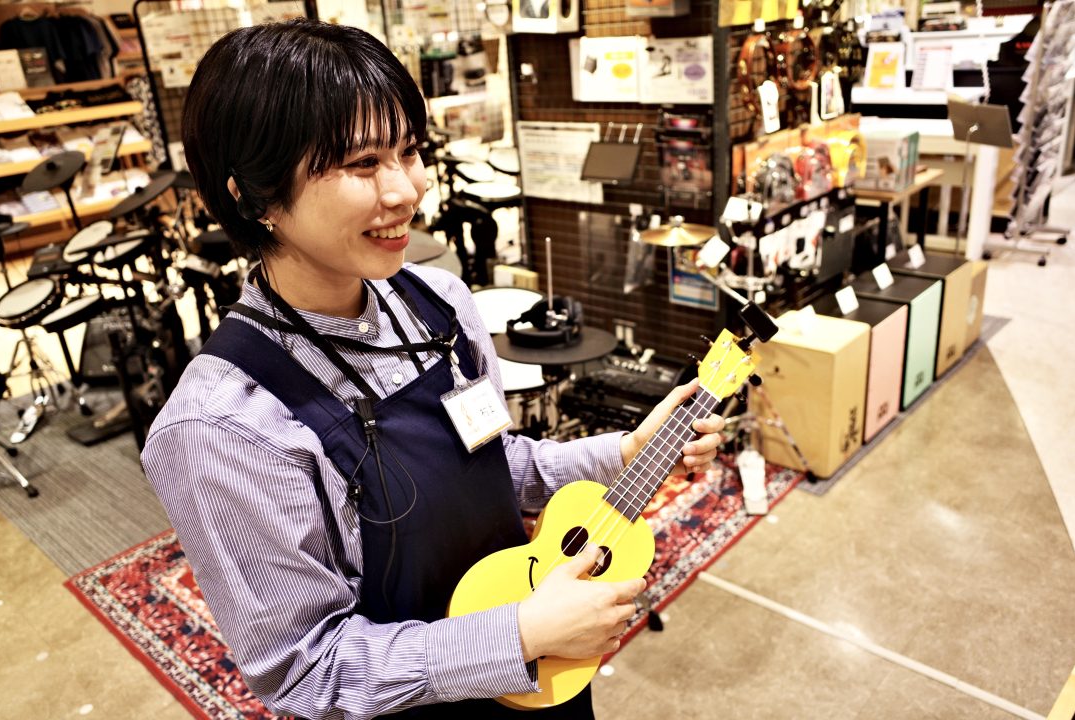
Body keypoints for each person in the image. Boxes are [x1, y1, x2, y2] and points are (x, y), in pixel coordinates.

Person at [141, 20, 726, 720]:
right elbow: (304, 669)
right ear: (253, 197)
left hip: (544, 673)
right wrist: (517, 635)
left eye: (410, 151)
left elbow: (492, 465)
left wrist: (625, 452)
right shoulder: (221, 426)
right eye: (363, 163)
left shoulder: (438, 302)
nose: (406, 190)